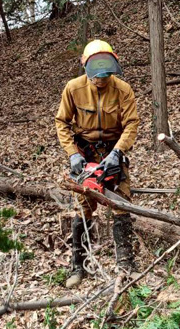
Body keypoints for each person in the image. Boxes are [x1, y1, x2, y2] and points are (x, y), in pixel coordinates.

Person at [55, 40, 140, 288]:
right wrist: (72, 153)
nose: (101, 78)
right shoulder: (73, 88)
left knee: (121, 204)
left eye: (106, 73)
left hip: (114, 151)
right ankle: (77, 266)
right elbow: (62, 122)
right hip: (86, 152)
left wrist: (118, 152)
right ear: (86, 66)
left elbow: (132, 123)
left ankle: (126, 264)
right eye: (97, 73)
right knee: (83, 208)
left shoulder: (123, 90)